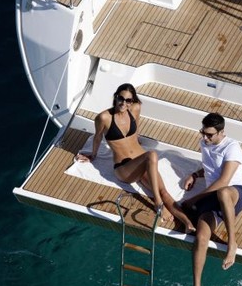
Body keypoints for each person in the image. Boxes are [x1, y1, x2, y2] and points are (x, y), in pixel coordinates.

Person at [76, 83, 193, 232]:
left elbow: (135, 128)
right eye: (121, 98)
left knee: (164, 191)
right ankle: (158, 203)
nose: (123, 103)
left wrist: (135, 140)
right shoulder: (104, 117)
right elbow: (98, 137)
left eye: (128, 100)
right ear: (115, 97)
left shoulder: (135, 108)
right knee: (152, 155)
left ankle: (187, 223)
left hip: (143, 161)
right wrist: (93, 155)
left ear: (132, 101)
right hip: (124, 169)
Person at [180, 113, 242, 286]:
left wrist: (194, 199)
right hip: (213, 199)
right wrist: (195, 174)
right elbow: (210, 168)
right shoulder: (204, 143)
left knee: (223, 192)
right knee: (201, 237)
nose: (205, 138)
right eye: (203, 133)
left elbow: (223, 180)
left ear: (221, 132)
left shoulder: (232, 147)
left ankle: (232, 243)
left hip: (235, 193)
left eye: (209, 135)